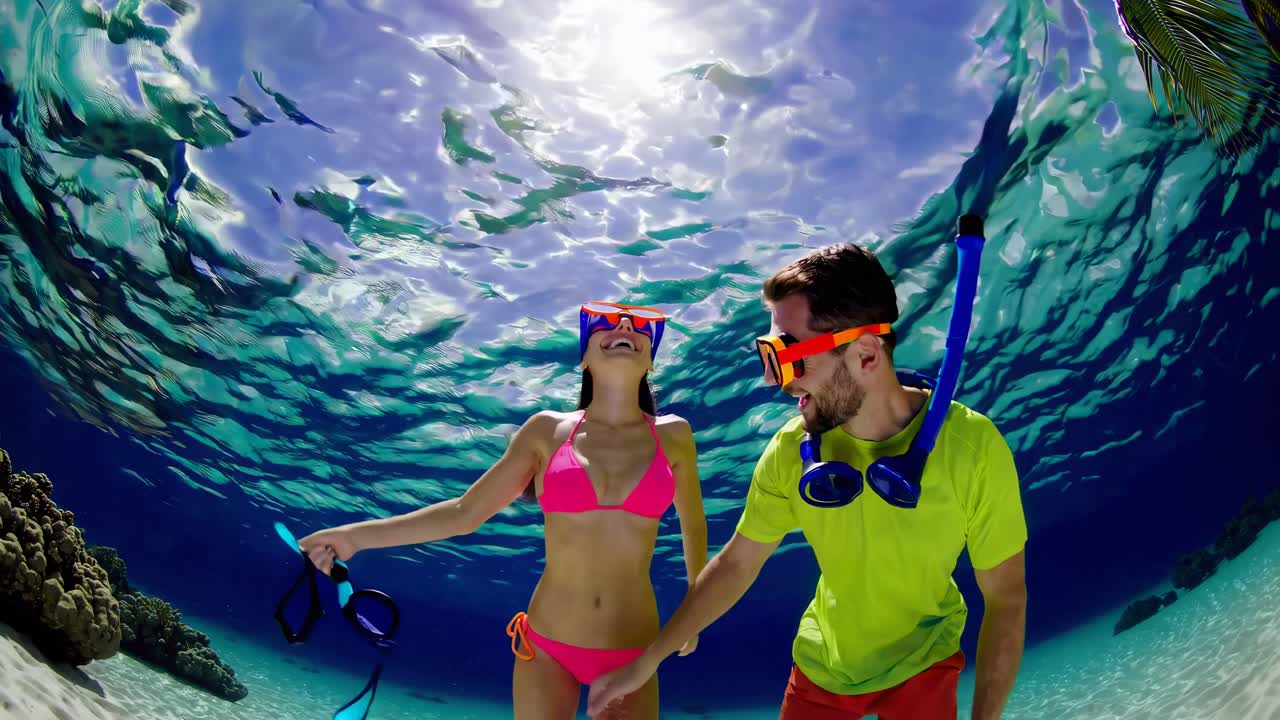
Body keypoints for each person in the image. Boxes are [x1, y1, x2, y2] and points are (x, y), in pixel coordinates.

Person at [587, 243, 1028, 719]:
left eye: (791, 356)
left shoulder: (972, 448)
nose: (780, 381)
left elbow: (1006, 596)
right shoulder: (790, 452)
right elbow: (737, 564)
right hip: (822, 669)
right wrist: (648, 661)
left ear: (864, 354)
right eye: (771, 356)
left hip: (927, 659)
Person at [298, 301, 708, 719]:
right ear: (584, 358)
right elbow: (464, 513)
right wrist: (353, 537)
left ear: (651, 362)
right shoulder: (546, 431)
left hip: (634, 651)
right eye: (604, 321)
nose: (623, 324)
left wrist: (694, 611)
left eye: (641, 326)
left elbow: (694, 525)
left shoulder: (675, 436)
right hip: (547, 645)